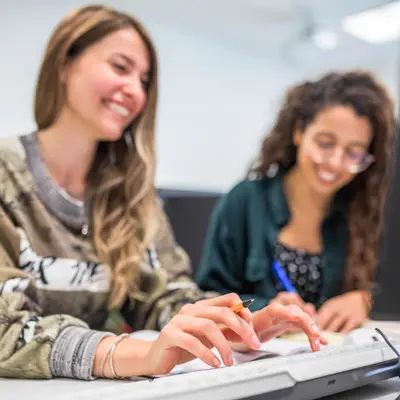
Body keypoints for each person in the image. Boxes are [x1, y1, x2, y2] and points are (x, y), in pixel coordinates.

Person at [0, 5, 323, 381]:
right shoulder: (7, 174)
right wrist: (130, 354)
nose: (135, 91)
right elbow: (6, 327)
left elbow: (165, 296)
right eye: (121, 68)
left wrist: (227, 326)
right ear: (65, 64)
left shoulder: (132, 195)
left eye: (145, 81)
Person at [196, 70, 397, 334]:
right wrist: (267, 308)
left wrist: (366, 301)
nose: (335, 163)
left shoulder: (364, 211)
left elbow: (389, 287)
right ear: (299, 132)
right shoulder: (245, 201)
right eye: (325, 143)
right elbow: (206, 301)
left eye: (354, 153)